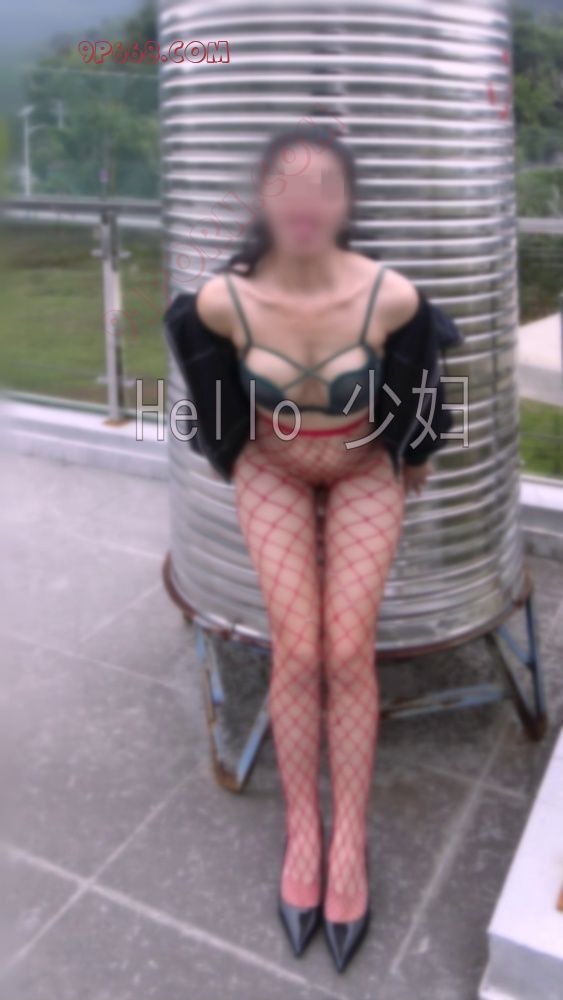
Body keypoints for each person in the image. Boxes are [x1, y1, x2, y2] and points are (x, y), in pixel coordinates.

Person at [164, 124, 463, 972]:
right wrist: (236, 456)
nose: (305, 202)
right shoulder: (221, 302)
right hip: (273, 467)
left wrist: (412, 458)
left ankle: (349, 839)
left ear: (348, 202)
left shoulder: (390, 297)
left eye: (324, 185)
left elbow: (422, 393)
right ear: (262, 197)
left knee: (345, 649)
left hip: (363, 465)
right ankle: (304, 830)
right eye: (287, 184)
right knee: (297, 650)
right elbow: (207, 401)